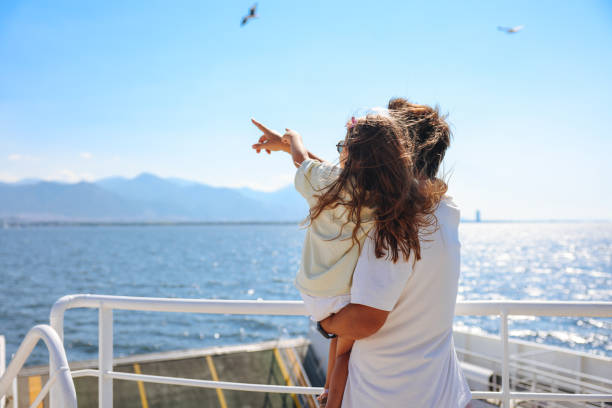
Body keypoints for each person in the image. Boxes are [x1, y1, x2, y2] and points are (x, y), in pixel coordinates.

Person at [251, 106, 449, 407]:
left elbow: (304, 162)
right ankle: (331, 398)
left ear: (349, 154)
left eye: (343, 146)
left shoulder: (325, 184)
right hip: (342, 298)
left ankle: (328, 394)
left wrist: (293, 139)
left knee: (338, 345)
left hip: (313, 292)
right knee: (343, 353)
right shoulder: (386, 198)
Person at [318, 98, 473, 407]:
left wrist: (326, 324)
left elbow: (364, 320)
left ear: (398, 152)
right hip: (440, 392)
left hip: (382, 394)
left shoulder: (396, 226)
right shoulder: (445, 210)